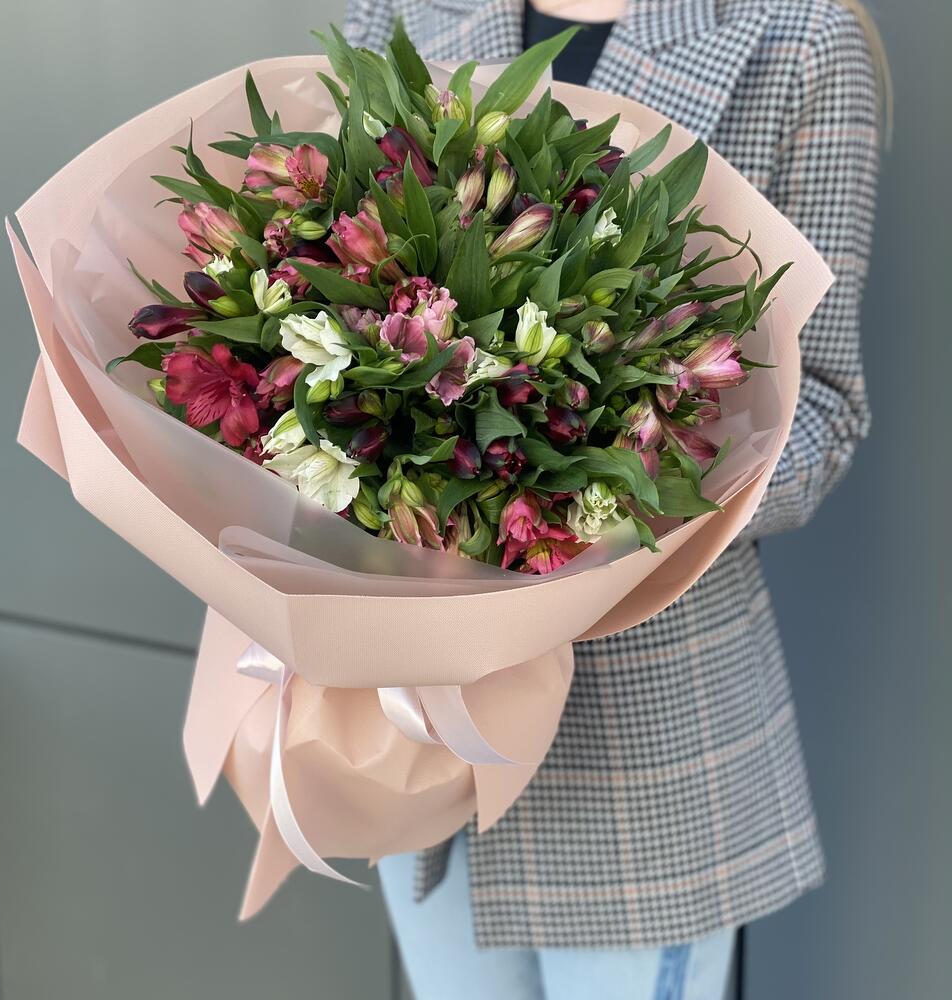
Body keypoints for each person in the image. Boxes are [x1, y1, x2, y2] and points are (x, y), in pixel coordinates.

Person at [343, 1, 887, 996]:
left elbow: (821, 414)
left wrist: (605, 482)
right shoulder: (403, 8)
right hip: (420, 727)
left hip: (642, 746)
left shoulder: (796, 34)